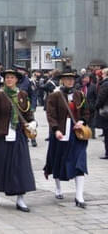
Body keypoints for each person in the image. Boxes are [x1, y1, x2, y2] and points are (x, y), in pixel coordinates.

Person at [0, 69, 37, 212]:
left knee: (21, 166)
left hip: (19, 134)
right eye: (7, 77)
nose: (9, 80)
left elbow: (27, 113)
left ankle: (20, 199)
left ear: (16, 80)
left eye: (12, 78)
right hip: (2, 135)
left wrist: (32, 122)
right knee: (0, 165)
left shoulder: (22, 95)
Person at [44, 68, 90, 209]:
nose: (70, 81)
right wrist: (56, 129)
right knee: (58, 160)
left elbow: (86, 112)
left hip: (77, 135)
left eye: (72, 79)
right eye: (67, 79)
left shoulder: (79, 95)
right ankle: (58, 188)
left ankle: (79, 196)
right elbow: (50, 115)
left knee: (79, 162)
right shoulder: (55, 96)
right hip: (61, 133)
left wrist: (82, 121)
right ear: (62, 80)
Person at [95, 68, 108, 159]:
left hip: (106, 112)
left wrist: (97, 106)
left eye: (103, 74)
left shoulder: (105, 84)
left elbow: (101, 98)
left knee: (107, 133)